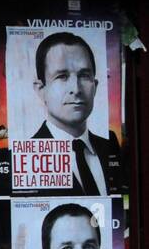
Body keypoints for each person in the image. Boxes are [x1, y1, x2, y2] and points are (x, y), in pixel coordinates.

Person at [29, 32, 120, 196]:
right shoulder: (26, 157)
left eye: (84, 76)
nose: (76, 89)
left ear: (95, 85)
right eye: (62, 76)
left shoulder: (110, 145)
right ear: (41, 89)